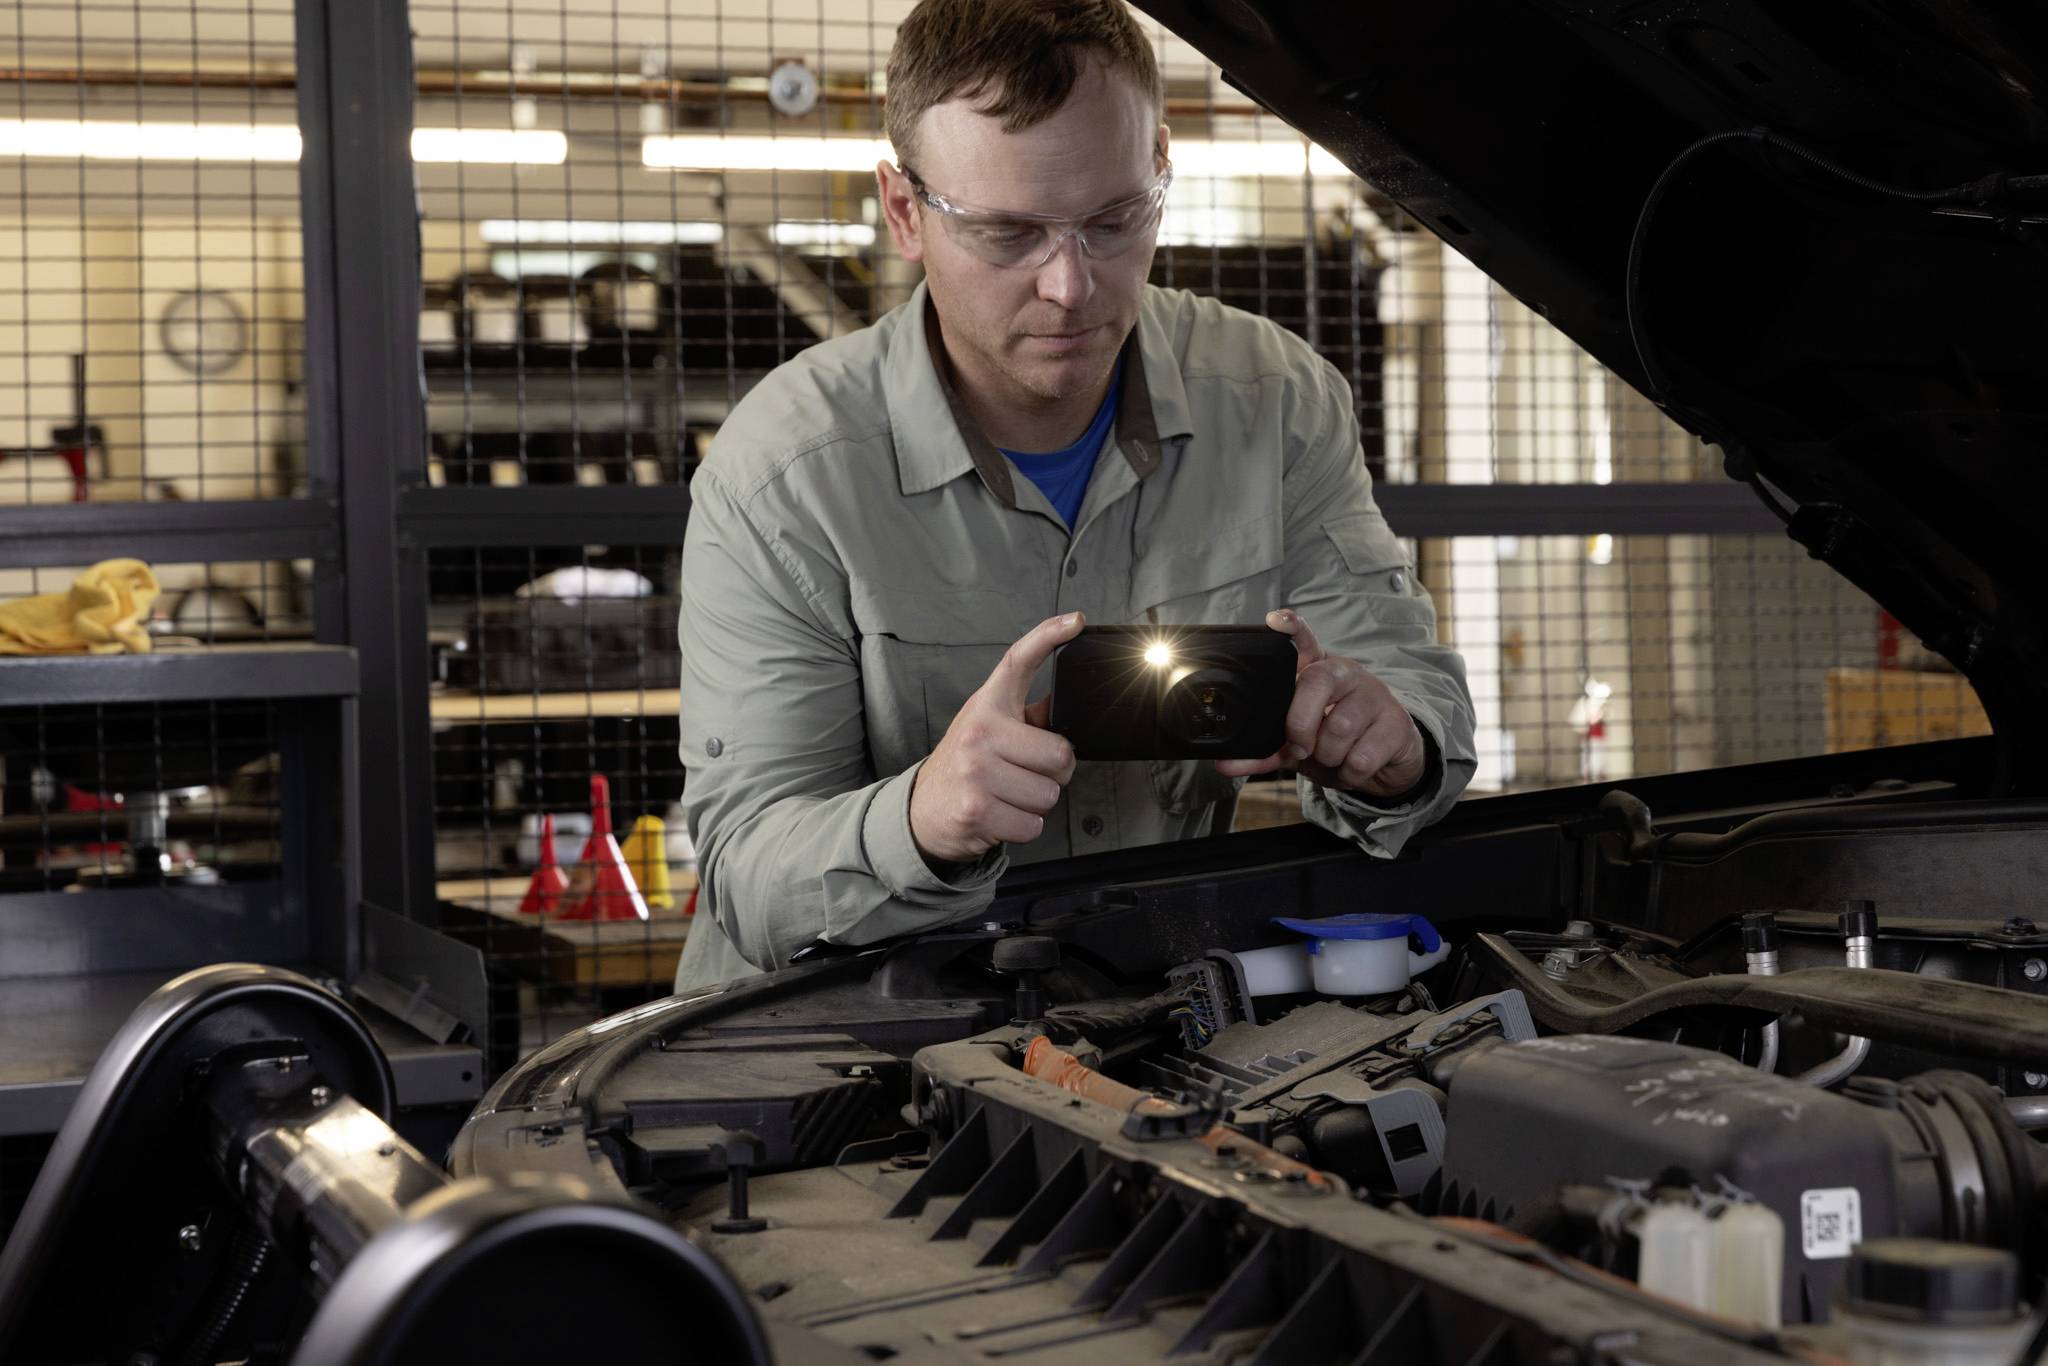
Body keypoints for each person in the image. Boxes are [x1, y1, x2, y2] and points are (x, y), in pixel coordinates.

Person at [670, 0, 1476, 991]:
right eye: (1007, 233)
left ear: (1161, 167)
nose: (1070, 286)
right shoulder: (783, 473)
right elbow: (746, 874)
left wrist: (1388, 744)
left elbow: (1419, 703)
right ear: (903, 211)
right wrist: (924, 818)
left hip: (1139, 1020)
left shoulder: (1272, 402)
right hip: (831, 1060)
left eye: (1112, 220)